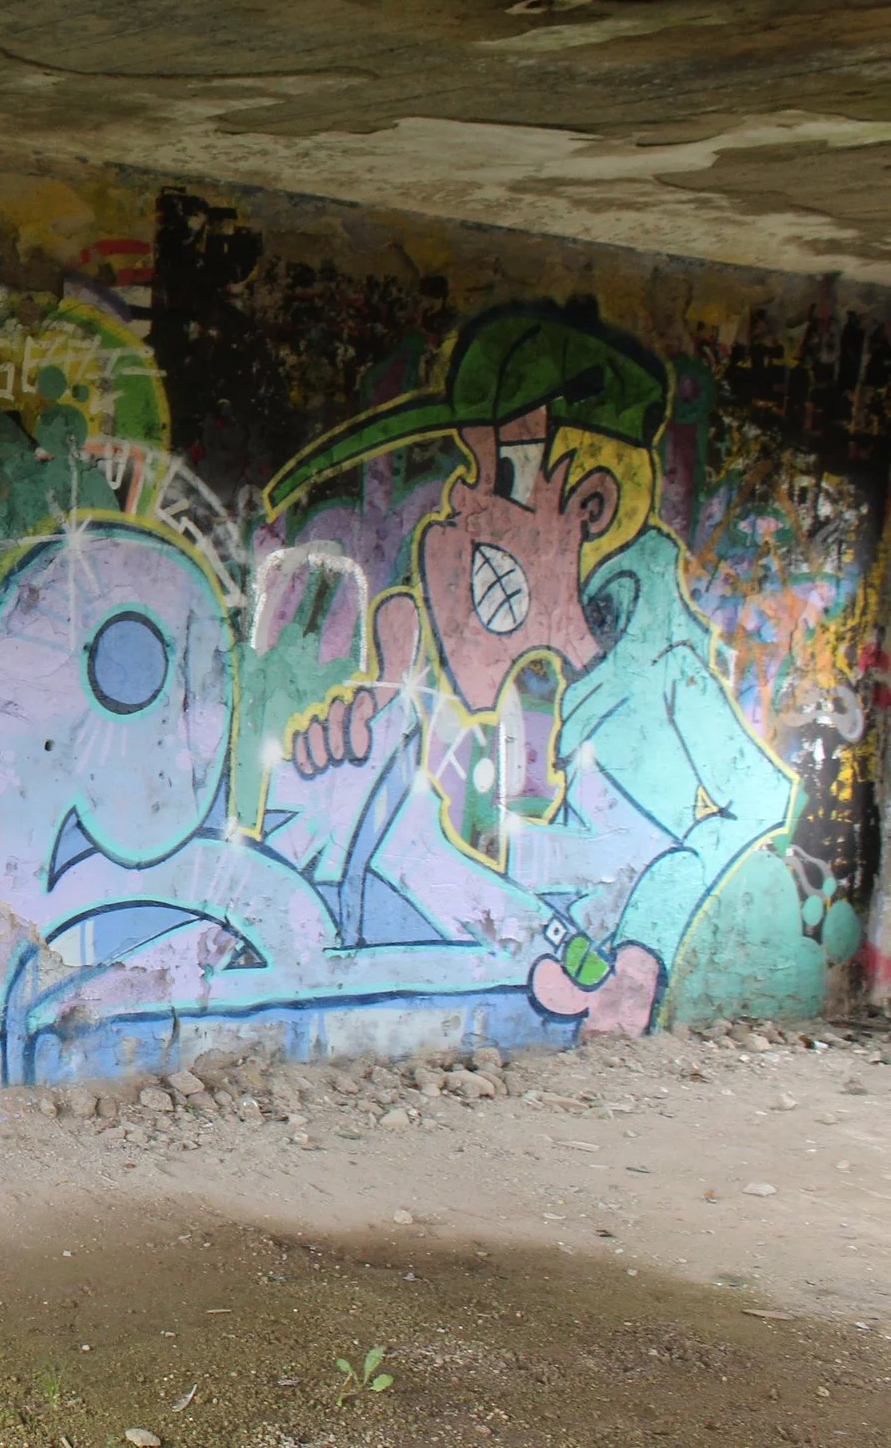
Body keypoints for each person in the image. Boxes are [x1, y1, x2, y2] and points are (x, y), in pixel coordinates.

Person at [264, 300, 795, 1033]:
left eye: (500, 475)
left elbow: (764, 800)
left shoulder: (666, 677)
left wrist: (645, 947)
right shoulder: (549, 699)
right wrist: (366, 797)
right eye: (467, 470)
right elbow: (502, 902)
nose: (462, 501)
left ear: (592, 505)